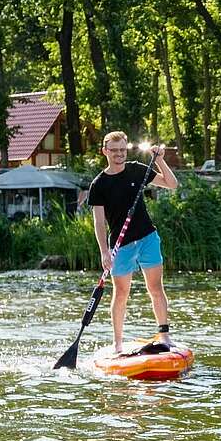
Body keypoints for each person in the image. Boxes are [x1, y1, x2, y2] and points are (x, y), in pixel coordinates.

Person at [87, 131, 179, 354]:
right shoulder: (99, 184)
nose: (119, 154)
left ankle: (164, 334)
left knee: (155, 288)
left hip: (147, 238)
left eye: (122, 150)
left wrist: (159, 160)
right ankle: (117, 343)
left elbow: (171, 184)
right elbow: (99, 222)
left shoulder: (138, 169)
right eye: (114, 150)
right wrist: (104, 252)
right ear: (105, 151)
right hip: (121, 246)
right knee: (121, 293)